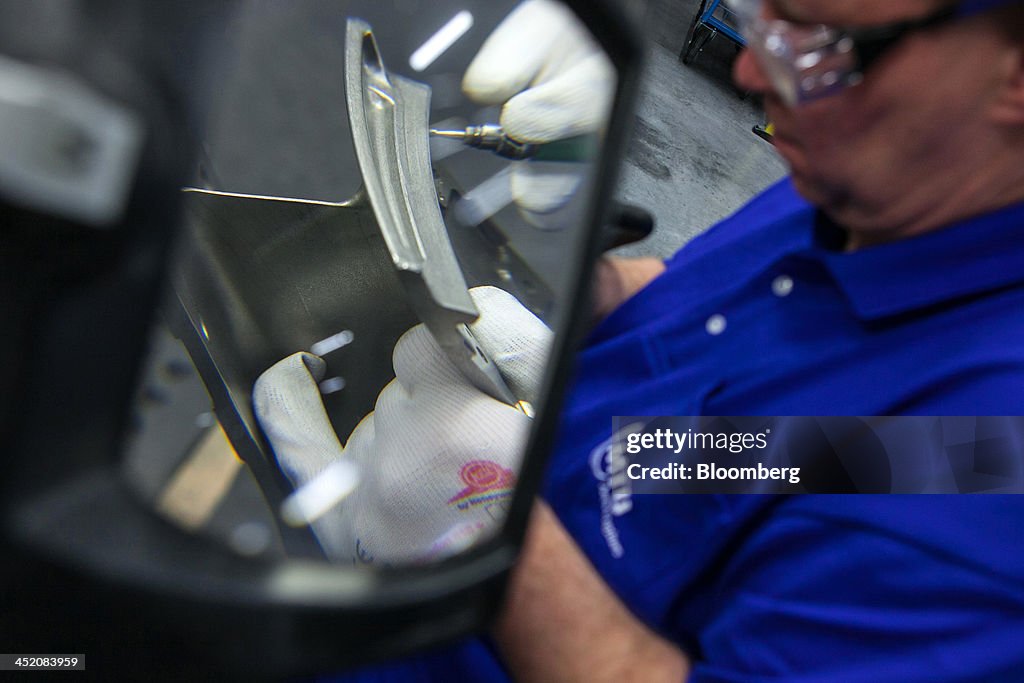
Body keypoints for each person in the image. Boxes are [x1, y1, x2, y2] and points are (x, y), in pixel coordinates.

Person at [261, 0, 1024, 679]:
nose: (753, 71)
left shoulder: (989, 472)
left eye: (816, 41)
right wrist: (581, 273)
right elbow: (777, 443)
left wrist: (492, 533)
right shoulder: (888, 185)